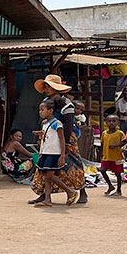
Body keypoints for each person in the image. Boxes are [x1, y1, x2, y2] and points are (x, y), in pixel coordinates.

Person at [30, 74, 87, 204]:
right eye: (46, 86)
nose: (47, 89)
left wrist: (66, 144)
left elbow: (68, 125)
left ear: (57, 88)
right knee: (44, 165)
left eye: (49, 86)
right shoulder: (45, 101)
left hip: (65, 137)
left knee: (73, 165)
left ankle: (82, 191)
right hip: (49, 136)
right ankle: (43, 193)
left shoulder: (67, 104)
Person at [34, 99, 79, 208]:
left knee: (50, 175)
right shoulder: (45, 123)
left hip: (54, 153)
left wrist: (62, 155)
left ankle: (70, 191)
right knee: (46, 176)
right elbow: (47, 138)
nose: (40, 112)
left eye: (42, 109)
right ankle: (47, 199)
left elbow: (61, 139)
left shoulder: (57, 124)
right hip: (45, 152)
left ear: (50, 111)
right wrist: (41, 151)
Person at [99, 114, 125, 196]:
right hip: (106, 156)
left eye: (114, 121)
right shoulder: (104, 133)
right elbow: (102, 144)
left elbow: (125, 142)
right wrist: (101, 154)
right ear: (106, 122)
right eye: (109, 121)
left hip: (116, 156)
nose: (111, 123)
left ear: (118, 122)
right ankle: (110, 186)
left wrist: (116, 145)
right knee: (102, 170)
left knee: (117, 174)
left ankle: (119, 190)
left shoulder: (120, 133)